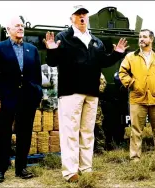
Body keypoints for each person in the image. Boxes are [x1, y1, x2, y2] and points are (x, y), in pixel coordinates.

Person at [43, 5, 129, 182]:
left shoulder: (95, 41)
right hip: (70, 92)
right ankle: (70, 172)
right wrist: (51, 50)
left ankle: (86, 168)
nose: (82, 17)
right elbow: (52, 62)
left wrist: (116, 54)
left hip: (92, 93)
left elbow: (103, 61)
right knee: (70, 132)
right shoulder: (63, 38)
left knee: (88, 132)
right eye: (78, 14)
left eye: (84, 14)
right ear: (71, 18)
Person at [0, 16, 42, 183]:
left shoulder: (32, 49)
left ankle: (21, 168)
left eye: (22, 25)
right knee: (4, 133)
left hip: (28, 98)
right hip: (7, 98)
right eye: (17, 26)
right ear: (8, 29)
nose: (21, 28)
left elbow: (37, 76)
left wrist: (37, 92)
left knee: (24, 134)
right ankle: (0, 170)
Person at [119, 29, 155, 162]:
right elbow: (122, 72)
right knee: (136, 130)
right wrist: (132, 84)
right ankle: (135, 158)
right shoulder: (131, 56)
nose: (141, 39)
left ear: (151, 39)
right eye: (140, 37)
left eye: (144, 37)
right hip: (137, 98)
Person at [94, 73, 107, 154]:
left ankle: (100, 148)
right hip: (77, 103)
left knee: (98, 125)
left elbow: (102, 87)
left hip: (93, 102)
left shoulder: (96, 71)